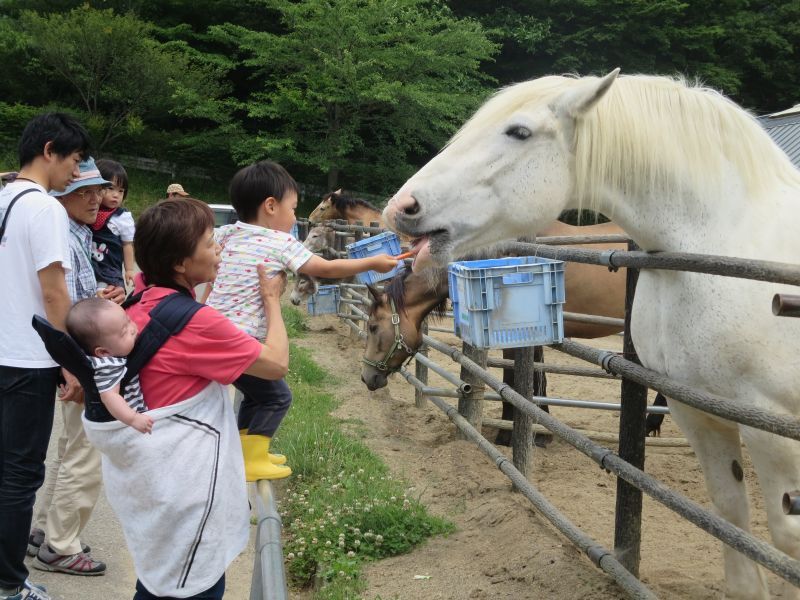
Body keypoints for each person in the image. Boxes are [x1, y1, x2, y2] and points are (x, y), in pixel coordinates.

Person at [81, 197, 290, 599]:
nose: (219, 251)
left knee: (161, 582)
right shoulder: (196, 323)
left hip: (155, 490)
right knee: (190, 586)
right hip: (185, 495)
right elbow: (275, 365)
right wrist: (271, 301)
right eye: (211, 243)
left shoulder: (139, 302)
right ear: (180, 263)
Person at [204, 160, 398, 481]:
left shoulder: (226, 234)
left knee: (257, 394)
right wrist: (373, 262)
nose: (296, 217)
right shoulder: (280, 242)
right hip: (243, 339)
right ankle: (251, 459)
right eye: (293, 209)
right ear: (270, 206)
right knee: (278, 397)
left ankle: (247, 450)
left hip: (212, 331)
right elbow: (324, 268)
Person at [0, 112, 89, 600]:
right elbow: (55, 293)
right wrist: (70, 360)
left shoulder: (4, 198)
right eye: (75, 161)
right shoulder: (45, 209)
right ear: (50, 150)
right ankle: (10, 584)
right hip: (26, 358)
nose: (76, 173)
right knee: (19, 476)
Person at [29, 157, 124, 577]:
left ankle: (47, 530)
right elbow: (60, 305)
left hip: (74, 354)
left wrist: (100, 297)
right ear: (61, 195)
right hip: (80, 357)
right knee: (86, 453)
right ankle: (62, 545)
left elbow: (74, 296)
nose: (96, 198)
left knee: (70, 449)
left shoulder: (76, 232)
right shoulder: (64, 236)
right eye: (83, 191)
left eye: (97, 190)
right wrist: (73, 368)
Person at [66, 297, 153, 434]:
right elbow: (110, 397)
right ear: (103, 352)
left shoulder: (114, 353)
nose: (133, 328)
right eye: (124, 332)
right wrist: (133, 419)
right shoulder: (107, 367)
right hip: (123, 426)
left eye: (128, 321)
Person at [91, 159, 136, 288]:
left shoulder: (122, 217)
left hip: (109, 271)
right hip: (89, 264)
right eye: (111, 188)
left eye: (121, 191)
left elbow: (127, 245)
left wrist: (129, 270)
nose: (116, 195)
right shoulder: (88, 210)